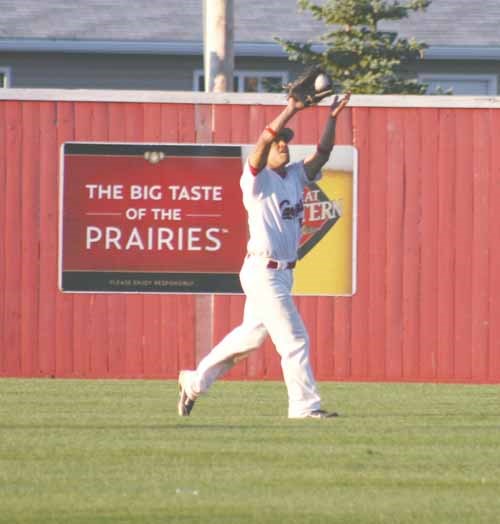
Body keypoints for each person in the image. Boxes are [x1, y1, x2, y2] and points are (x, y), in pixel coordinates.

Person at [177, 91, 351, 419]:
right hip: (263, 270)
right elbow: (262, 142)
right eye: (279, 143)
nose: (283, 145)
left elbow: (323, 153)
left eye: (286, 142)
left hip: (283, 273)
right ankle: (304, 407)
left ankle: (194, 382)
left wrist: (332, 118)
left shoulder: (296, 175)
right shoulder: (256, 180)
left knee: (250, 338)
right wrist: (290, 110)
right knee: (294, 338)